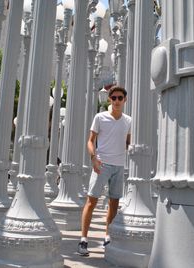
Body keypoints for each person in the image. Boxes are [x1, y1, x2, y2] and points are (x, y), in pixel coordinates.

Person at [77, 86, 131, 256]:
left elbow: (128, 143)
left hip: (119, 165)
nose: (116, 101)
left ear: (125, 100)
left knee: (114, 203)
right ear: (109, 99)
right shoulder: (100, 117)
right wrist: (93, 158)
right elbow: (90, 141)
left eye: (120, 98)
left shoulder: (128, 121)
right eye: (113, 98)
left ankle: (107, 237)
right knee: (91, 201)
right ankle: (83, 240)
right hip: (102, 165)